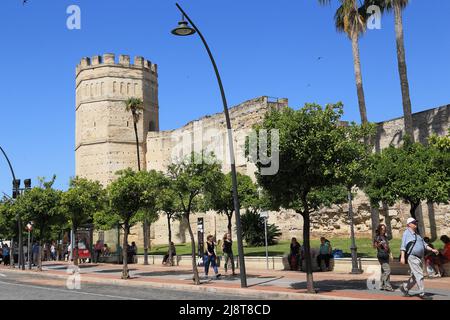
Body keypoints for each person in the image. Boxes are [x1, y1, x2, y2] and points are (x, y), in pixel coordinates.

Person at [400, 217, 439, 300]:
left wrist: (432, 249)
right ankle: (422, 293)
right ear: (409, 224)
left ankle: (405, 288)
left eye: (416, 222)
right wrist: (402, 257)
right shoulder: (406, 233)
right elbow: (403, 246)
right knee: (419, 275)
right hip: (412, 257)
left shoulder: (417, 235)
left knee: (415, 277)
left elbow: (425, 245)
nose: (416, 224)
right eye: (414, 223)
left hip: (419, 258)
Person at [373, 224, 393, 291]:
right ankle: (387, 286)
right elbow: (374, 247)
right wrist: (379, 244)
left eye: (384, 229)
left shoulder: (385, 237)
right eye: (382, 229)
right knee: (387, 270)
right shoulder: (377, 237)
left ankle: (381, 285)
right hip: (381, 255)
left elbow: (388, 247)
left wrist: (391, 254)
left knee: (383, 271)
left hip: (386, 255)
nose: (383, 230)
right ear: (379, 230)